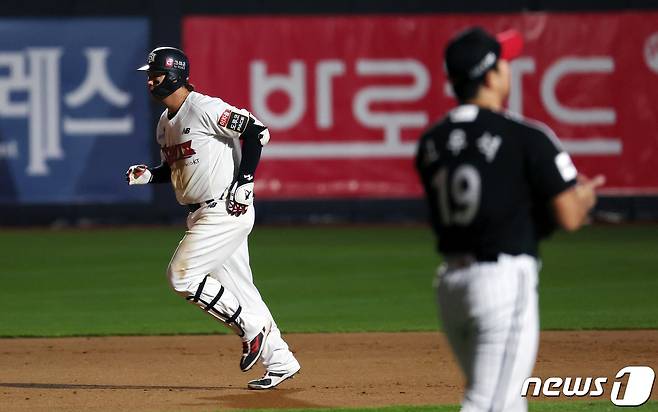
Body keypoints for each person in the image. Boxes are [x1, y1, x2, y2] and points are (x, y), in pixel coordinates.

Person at [415, 28, 605, 411]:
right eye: (504, 63)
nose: (508, 70)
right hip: (501, 284)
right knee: (490, 403)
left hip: (451, 287)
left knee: (507, 398)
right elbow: (567, 216)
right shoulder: (525, 136)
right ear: (490, 75)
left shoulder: (432, 142)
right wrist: (583, 198)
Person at [126, 46, 301, 390]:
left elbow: (256, 131)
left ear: (173, 75)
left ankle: (250, 329)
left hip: (225, 209)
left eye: (154, 74)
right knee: (243, 292)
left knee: (181, 276)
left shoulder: (204, 107)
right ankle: (280, 360)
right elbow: (178, 168)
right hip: (199, 213)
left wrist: (246, 181)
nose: (149, 81)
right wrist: (151, 175)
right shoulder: (165, 123)